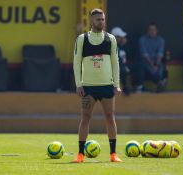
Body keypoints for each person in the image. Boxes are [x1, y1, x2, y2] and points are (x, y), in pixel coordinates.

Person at [72, 8, 122, 163]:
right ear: (91, 20)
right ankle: (80, 154)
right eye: (98, 19)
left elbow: (115, 62)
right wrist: (79, 84)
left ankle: (113, 154)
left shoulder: (111, 39)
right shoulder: (82, 39)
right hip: (88, 88)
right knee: (85, 117)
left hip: (107, 86)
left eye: (103, 19)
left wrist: (116, 84)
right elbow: (76, 62)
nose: (101, 22)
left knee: (109, 117)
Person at [136, 22, 166, 93]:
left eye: (154, 30)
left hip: (156, 61)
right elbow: (145, 55)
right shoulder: (142, 39)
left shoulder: (160, 40)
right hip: (146, 61)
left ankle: (160, 83)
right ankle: (160, 82)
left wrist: (156, 65)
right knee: (145, 65)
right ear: (147, 31)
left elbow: (160, 54)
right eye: (150, 30)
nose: (152, 31)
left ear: (156, 31)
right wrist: (152, 65)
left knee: (161, 66)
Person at [111, 27, 130, 95]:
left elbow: (129, 57)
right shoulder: (112, 46)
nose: (122, 38)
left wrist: (124, 45)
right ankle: (124, 87)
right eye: (119, 37)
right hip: (115, 71)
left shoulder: (122, 47)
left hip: (123, 68)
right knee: (122, 69)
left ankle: (138, 87)